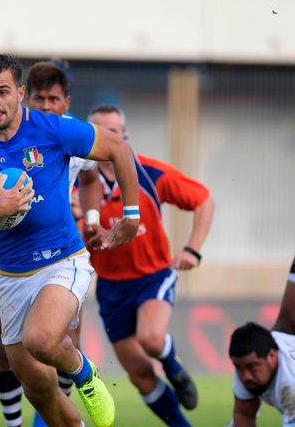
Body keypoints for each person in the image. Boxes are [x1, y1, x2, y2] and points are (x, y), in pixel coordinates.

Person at [0, 54, 141, 427]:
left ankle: (85, 374)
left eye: (3, 91)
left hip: (62, 260)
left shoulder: (52, 129)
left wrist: (131, 215)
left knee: (42, 339)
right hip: (10, 277)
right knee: (37, 386)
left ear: (20, 92)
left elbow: (118, 149)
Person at [86, 104, 215, 426]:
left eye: (112, 131)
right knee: (140, 373)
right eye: (98, 132)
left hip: (152, 276)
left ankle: (173, 365)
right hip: (111, 286)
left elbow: (204, 200)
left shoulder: (149, 173)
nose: (106, 138)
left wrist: (193, 250)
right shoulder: (79, 184)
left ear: (125, 136)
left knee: (152, 339)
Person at [229, 322, 295, 426]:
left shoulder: (290, 381)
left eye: (253, 367)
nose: (246, 376)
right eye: (239, 368)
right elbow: (244, 413)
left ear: (272, 356)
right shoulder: (246, 363)